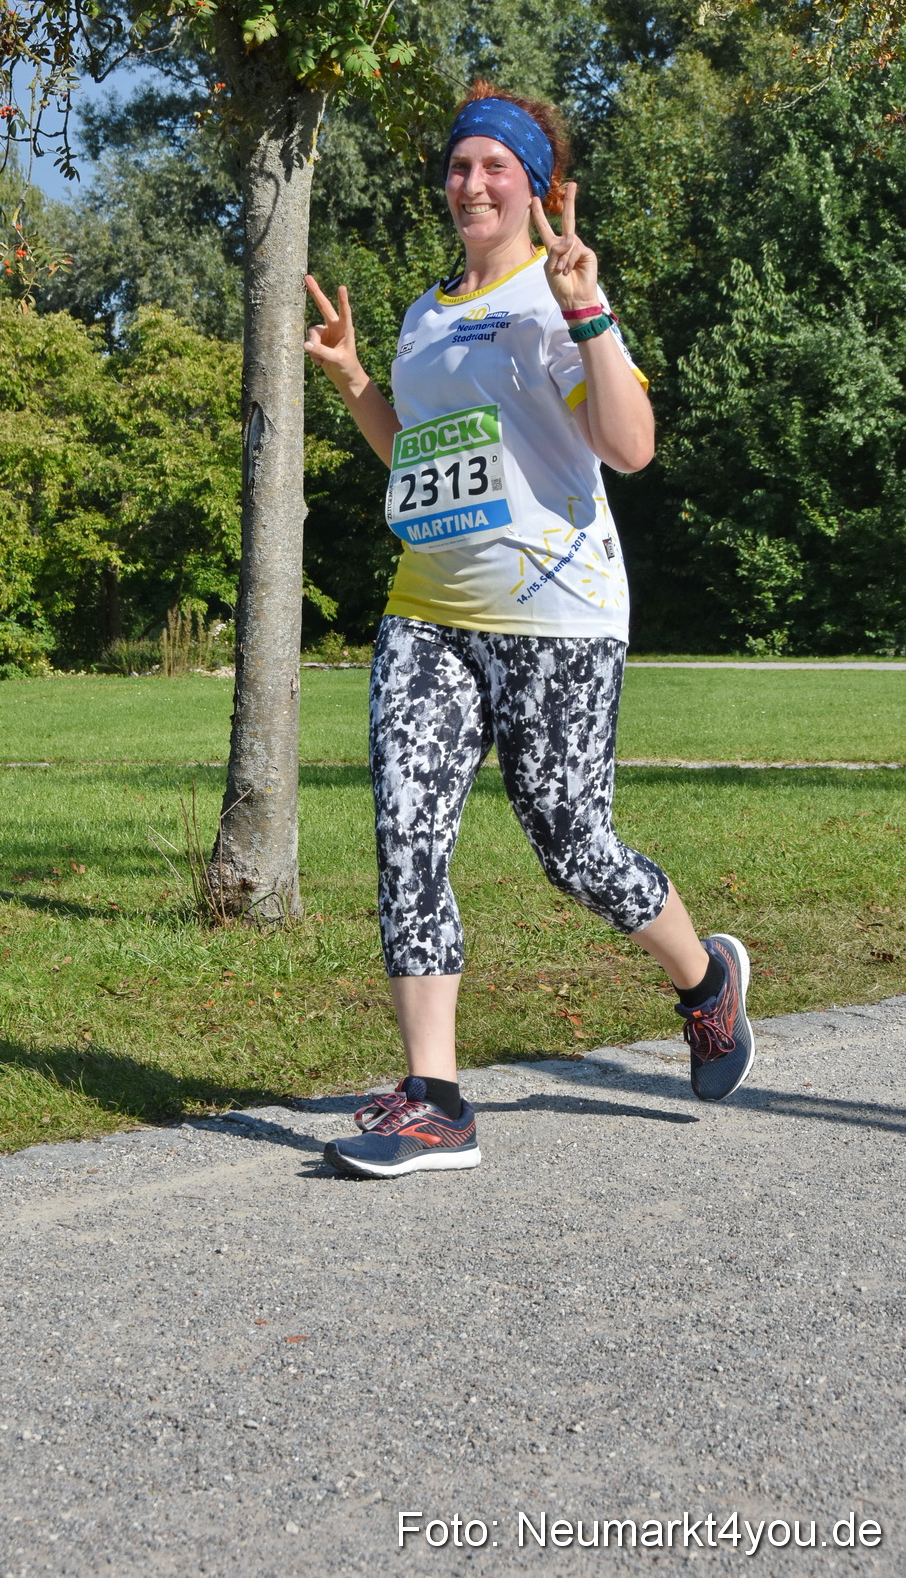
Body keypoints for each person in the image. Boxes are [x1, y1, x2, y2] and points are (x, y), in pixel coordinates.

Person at [303, 83, 753, 1179]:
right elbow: (419, 453)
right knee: (408, 833)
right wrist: (358, 377)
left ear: (536, 187)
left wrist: (590, 311)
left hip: (559, 615)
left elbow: (630, 446)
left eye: (493, 167)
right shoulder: (423, 313)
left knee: (572, 844)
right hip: (428, 614)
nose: (471, 182)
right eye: (459, 166)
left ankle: (704, 981)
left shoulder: (556, 301)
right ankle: (435, 1097)